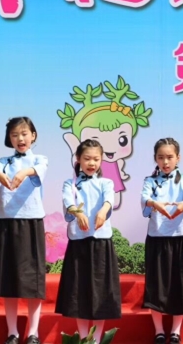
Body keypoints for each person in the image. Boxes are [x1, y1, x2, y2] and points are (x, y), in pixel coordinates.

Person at [0, 117, 48, 344]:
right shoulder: (3, 161)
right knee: (8, 280)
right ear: (9, 139)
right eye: (14, 135)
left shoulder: (40, 159)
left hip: (31, 222)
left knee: (33, 281)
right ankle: (12, 332)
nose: (20, 139)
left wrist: (23, 173)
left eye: (24, 134)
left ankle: (33, 333)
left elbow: (38, 170)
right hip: (7, 223)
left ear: (33, 135)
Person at [55, 139, 121, 343]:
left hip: (101, 243)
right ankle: (84, 339)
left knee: (101, 293)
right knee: (79, 293)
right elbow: (68, 201)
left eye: (96, 159)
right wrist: (77, 212)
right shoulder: (70, 184)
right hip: (79, 243)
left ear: (101, 160)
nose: (92, 163)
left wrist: (103, 210)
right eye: (87, 159)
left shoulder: (106, 183)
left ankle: (97, 339)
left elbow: (109, 200)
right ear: (78, 159)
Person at [141, 138, 183, 344]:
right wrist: (155, 204)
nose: (165, 162)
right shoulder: (149, 181)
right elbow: (145, 199)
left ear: (178, 158)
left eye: (170, 157)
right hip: (157, 238)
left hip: (179, 238)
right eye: (161, 157)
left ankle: (175, 331)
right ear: (155, 158)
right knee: (156, 286)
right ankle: (158, 331)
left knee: (180, 285)